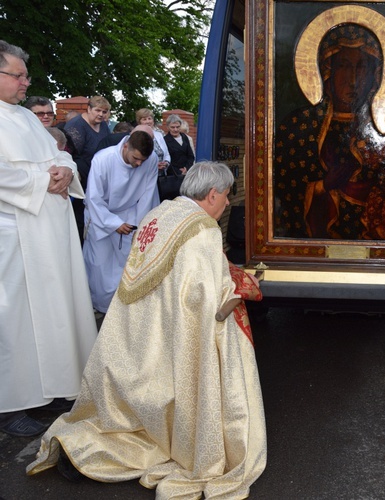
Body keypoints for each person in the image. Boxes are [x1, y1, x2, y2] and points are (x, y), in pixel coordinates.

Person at [27, 161, 267, 498]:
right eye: (226, 196)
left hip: (131, 334)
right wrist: (244, 287)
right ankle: (107, 453)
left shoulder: (160, 213)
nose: (228, 203)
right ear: (212, 194)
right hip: (169, 339)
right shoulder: (202, 229)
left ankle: (80, 445)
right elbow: (206, 299)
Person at [0, 40, 97, 437]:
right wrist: (44, 180)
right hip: (14, 235)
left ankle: (56, 385)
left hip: (50, 232)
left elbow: (60, 154)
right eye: (17, 75)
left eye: (26, 75)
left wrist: (63, 171)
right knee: (17, 319)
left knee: (57, 308)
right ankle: (10, 404)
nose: (26, 82)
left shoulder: (23, 117)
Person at [273, 22, 385, 240]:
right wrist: (323, 186)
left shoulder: (384, 128)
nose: (353, 79)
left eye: (362, 67)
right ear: (328, 70)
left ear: (375, 75)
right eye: (344, 66)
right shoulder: (300, 125)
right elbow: (284, 191)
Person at [83, 129, 160, 314]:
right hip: (101, 215)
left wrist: (139, 224)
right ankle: (99, 306)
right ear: (126, 146)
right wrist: (113, 223)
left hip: (131, 215)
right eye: (135, 158)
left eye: (142, 160)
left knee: (128, 263)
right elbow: (94, 197)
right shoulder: (103, 159)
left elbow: (148, 194)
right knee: (99, 266)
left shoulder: (151, 160)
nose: (139, 163)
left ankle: (122, 308)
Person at [65, 96, 111, 242]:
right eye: (97, 110)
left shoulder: (103, 124)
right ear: (88, 108)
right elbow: (73, 155)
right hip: (82, 176)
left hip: (98, 173)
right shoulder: (76, 126)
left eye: (104, 112)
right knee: (81, 214)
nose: (101, 114)